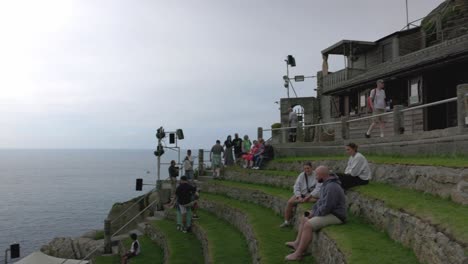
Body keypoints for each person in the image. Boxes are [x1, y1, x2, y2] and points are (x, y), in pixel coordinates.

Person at [284, 166, 346, 261]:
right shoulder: (326, 184)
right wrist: (312, 211)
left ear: (322, 175)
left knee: (308, 225)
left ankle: (298, 254)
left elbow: (327, 207)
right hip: (330, 212)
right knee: (305, 217)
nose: (315, 177)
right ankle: (297, 243)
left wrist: (314, 214)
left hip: (336, 215)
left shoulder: (331, 187)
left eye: (316, 175)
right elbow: (321, 202)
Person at [280, 162, 322, 227]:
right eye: (305, 168)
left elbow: (318, 188)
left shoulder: (316, 175)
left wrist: (309, 196)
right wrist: (298, 196)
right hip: (302, 194)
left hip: (311, 195)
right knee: (289, 202)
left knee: (317, 199)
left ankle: (302, 200)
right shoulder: (301, 175)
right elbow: (296, 186)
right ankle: (286, 222)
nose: (306, 170)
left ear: (311, 168)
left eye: (308, 168)